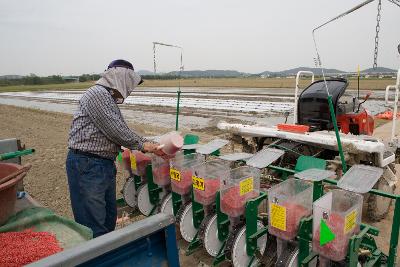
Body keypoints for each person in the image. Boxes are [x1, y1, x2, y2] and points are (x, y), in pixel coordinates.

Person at [66, 59, 164, 237]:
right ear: (120, 77)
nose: (130, 89)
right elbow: (116, 130)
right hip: (88, 164)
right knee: (93, 224)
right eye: (130, 83)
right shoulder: (98, 94)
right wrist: (145, 145)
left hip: (100, 164)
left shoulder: (106, 98)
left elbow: (118, 129)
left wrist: (146, 143)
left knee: (108, 218)